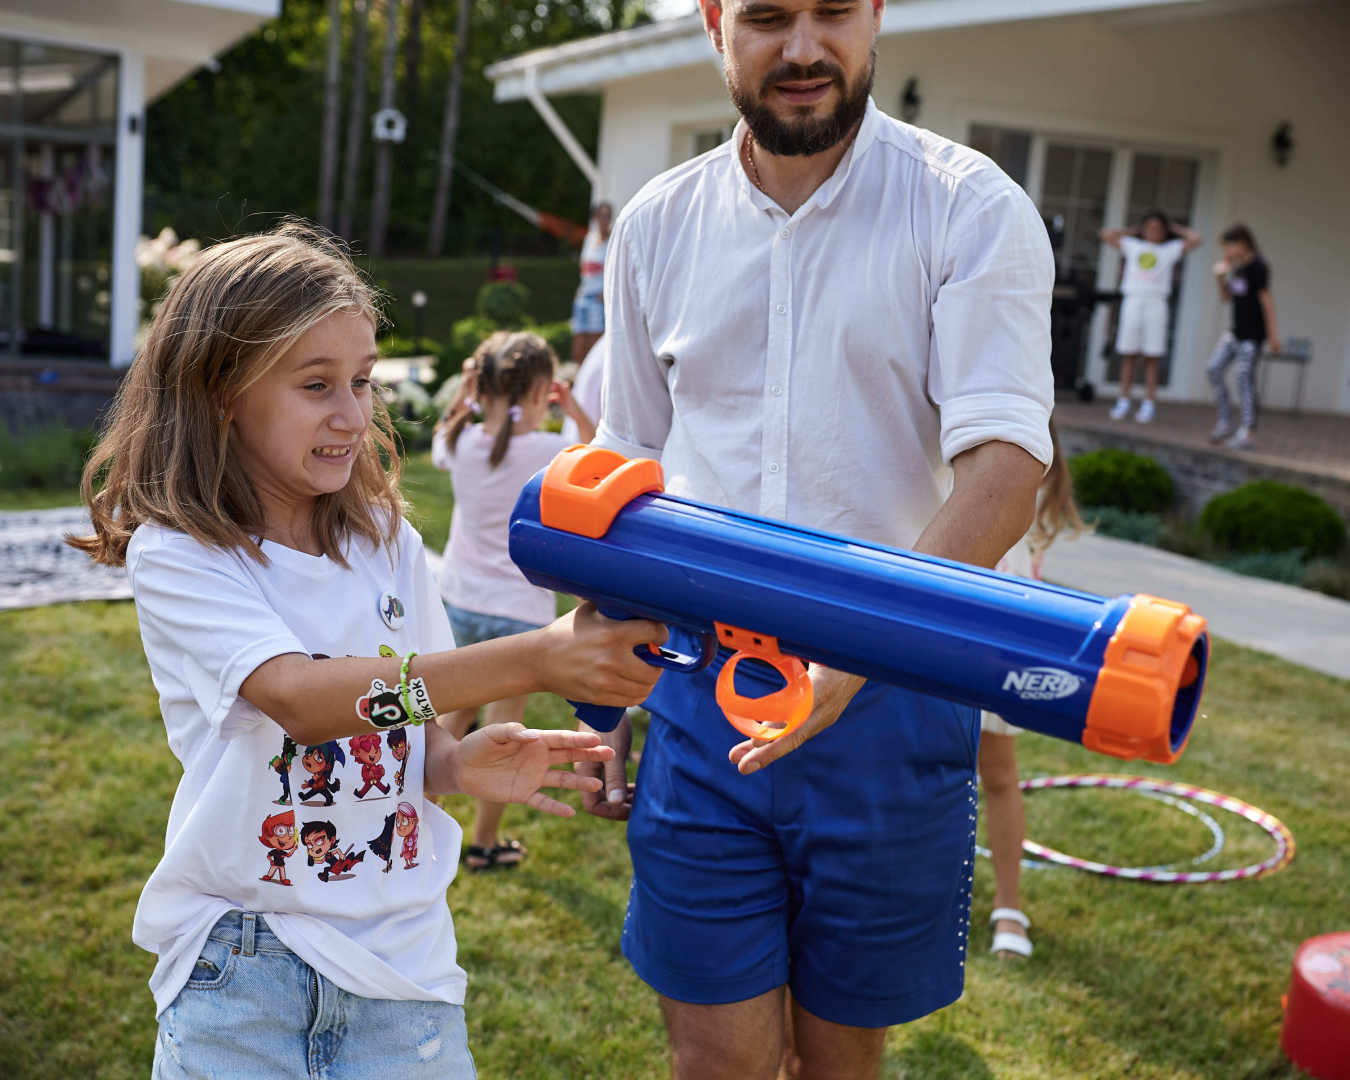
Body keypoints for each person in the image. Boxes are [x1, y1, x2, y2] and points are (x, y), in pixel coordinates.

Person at [578, 1, 1055, 1076]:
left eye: (833, 10)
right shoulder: (657, 221)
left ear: (876, 13)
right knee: (718, 1060)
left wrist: (860, 643)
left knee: (841, 1061)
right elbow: (624, 467)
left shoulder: (970, 209)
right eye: (767, 16)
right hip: (701, 689)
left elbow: (1008, 470)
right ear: (712, 21)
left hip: (894, 694)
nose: (803, 48)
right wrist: (600, 678)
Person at [69, 223, 663, 1079]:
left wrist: (456, 768)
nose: (353, 415)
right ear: (219, 392)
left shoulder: (386, 540)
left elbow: (402, 730)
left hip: (405, 970)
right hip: (243, 966)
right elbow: (302, 703)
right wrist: (536, 658)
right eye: (316, 385)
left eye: (360, 380)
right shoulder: (184, 551)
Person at [432, 330, 597, 870]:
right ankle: (482, 847)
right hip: (516, 615)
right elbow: (599, 460)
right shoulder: (551, 450)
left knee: (450, 727)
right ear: (543, 389)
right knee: (505, 742)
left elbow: (441, 439)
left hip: (459, 601)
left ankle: (412, 830)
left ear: (482, 383)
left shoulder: (459, 441)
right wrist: (573, 409)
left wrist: (464, 398)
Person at [978, 418, 1083, 961]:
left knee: (998, 775)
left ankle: (1008, 905)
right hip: (938, 635)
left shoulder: (1032, 479)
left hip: (999, 649)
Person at [1099, 211, 1203, 424]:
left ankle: (1148, 403)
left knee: (1151, 355)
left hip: (1156, 303)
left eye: (1158, 228)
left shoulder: (1168, 250)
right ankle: (1123, 400)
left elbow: (1196, 239)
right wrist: (1132, 230)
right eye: (1150, 227)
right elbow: (1106, 234)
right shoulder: (1133, 245)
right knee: (1129, 353)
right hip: (1133, 300)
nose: (1153, 232)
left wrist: (1175, 227)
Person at [1208, 223, 1280, 449]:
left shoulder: (1258, 267)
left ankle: (1248, 432)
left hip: (1252, 336)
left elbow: (1266, 301)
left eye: (1227, 247)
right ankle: (1224, 423)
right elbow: (1227, 297)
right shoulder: (1237, 268)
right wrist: (1220, 277)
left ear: (1241, 243)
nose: (1225, 252)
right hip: (1235, 333)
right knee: (1214, 369)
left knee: (1244, 378)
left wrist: (1273, 336)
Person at [571, 202, 613, 366]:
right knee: (579, 343)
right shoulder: (589, 239)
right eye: (601, 215)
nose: (604, 220)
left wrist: (605, 293)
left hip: (598, 299)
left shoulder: (612, 241)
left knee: (596, 345)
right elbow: (585, 267)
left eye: (607, 216)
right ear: (595, 217)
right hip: (583, 295)